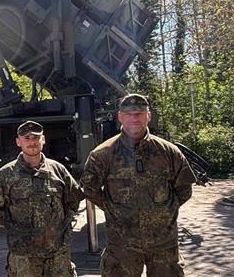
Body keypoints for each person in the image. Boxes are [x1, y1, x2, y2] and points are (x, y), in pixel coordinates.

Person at [80, 94, 196, 277]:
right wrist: (114, 210)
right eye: (129, 114)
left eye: (140, 113)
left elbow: (184, 189)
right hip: (122, 245)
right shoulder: (103, 154)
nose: (134, 118)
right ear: (120, 116)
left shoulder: (168, 152)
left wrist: (162, 213)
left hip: (163, 243)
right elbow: (89, 189)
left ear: (148, 116)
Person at [0, 120, 82, 276]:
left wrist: (58, 228)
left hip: (57, 254)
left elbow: (73, 201)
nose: (32, 142)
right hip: (24, 255)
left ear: (43, 140)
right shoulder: (6, 174)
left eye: (36, 138)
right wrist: (15, 228)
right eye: (27, 138)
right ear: (18, 142)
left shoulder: (58, 170)